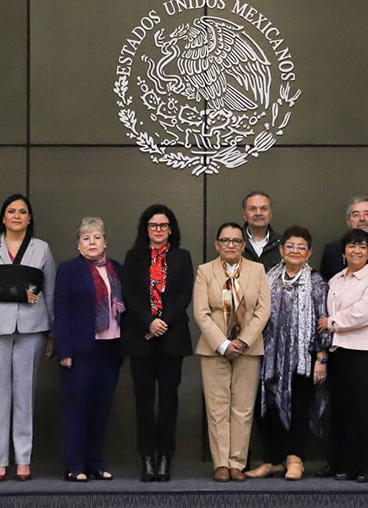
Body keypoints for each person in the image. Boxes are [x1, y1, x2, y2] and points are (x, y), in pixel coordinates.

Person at [0, 194, 56, 483]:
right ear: (3, 217)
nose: (17, 216)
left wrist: (52, 332)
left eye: (23, 211)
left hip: (32, 328)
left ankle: (23, 459)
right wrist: (19, 291)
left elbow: (50, 291)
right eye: (11, 211)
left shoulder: (41, 248)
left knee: (24, 396)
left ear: (29, 218)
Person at [245, 226, 330, 481]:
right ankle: (273, 460)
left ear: (309, 252)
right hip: (270, 357)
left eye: (301, 247)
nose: (295, 251)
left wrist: (322, 357)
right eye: (290, 246)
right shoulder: (268, 277)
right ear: (281, 250)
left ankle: (295, 458)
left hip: (303, 359)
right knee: (267, 408)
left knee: (300, 407)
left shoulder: (316, 281)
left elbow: (322, 319)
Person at [193, 222, 271, 482]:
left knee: (243, 408)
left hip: (248, 349)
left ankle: (237, 462)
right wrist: (224, 344)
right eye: (225, 241)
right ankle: (221, 464)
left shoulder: (257, 270)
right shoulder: (205, 271)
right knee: (217, 409)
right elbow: (201, 313)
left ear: (243, 245)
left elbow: (263, 311)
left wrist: (244, 341)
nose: (230, 245)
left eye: (236, 241)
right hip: (214, 349)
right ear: (217, 245)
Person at [121, 204, 193, 483]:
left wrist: (162, 322)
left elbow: (185, 293)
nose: (158, 230)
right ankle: (147, 458)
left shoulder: (182, 257)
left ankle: (165, 457)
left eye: (163, 225)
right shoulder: (134, 256)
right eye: (153, 225)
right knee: (143, 402)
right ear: (146, 229)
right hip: (141, 338)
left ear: (171, 229)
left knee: (168, 401)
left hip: (172, 338)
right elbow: (128, 293)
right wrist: (148, 322)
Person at [54, 217, 124, 482]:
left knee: (101, 409)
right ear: (78, 244)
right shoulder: (69, 270)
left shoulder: (117, 268)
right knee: (77, 409)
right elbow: (60, 312)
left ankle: (96, 463)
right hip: (80, 350)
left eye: (96, 237)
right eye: (86, 238)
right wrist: (64, 351)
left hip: (111, 348)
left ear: (105, 242)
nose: (92, 242)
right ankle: (75, 465)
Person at [324, 229, 368, 483]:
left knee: (366, 411)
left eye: (362, 247)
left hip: (366, 352)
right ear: (343, 252)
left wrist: (331, 322)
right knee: (343, 410)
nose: (357, 251)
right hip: (340, 351)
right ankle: (344, 464)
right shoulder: (336, 280)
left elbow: (364, 313)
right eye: (351, 246)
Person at [242, 192, 282, 270]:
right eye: (252, 209)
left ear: (270, 215)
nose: (258, 213)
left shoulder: (283, 244)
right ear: (244, 215)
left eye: (263, 209)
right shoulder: (233, 245)